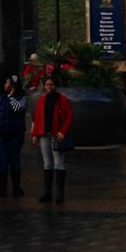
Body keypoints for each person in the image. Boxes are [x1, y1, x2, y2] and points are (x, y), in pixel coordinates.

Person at [30, 73, 74, 204]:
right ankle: (47, 192)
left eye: (51, 84)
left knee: (58, 162)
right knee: (47, 163)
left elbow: (69, 116)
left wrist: (63, 132)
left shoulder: (62, 100)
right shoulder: (42, 99)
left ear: (55, 85)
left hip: (56, 135)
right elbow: (37, 118)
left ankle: (60, 193)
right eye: (47, 84)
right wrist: (35, 134)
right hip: (44, 134)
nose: (49, 87)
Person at [0, 73, 27, 197]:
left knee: (14, 161)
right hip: (2, 134)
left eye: (7, 83)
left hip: (15, 135)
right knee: (3, 161)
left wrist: (12, 97)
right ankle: (2, 188)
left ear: (12, 86)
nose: (4, 85)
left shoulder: (22, 98)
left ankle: (16, 188)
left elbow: (18, 109)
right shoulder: (1, 98)